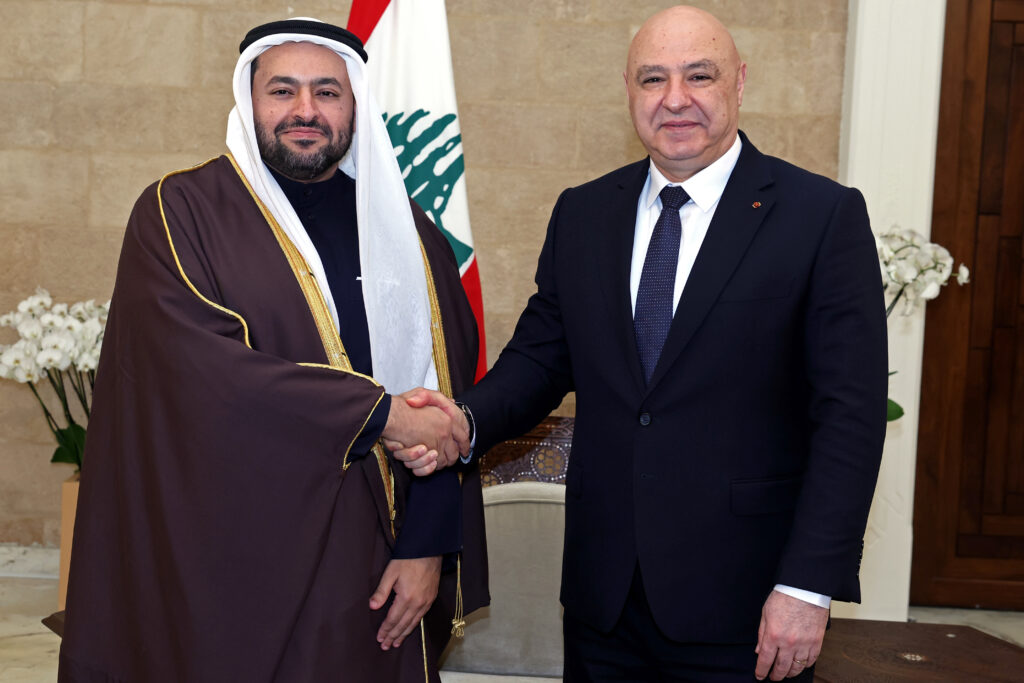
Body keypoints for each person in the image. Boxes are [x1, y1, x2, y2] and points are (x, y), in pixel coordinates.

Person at [392, 5, 886, 681]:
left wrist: (807, 586)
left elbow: (850, 416)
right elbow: (540, 356)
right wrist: (464, 421)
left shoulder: (820, 216)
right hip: (603, 601)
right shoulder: (584, 212)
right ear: (628, 90)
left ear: (740, 82)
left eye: (699, 75)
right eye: (653, 78)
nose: (674, 98)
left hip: (747, 603)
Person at [58, 18, 486, 683]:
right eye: (282, 91)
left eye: (327, 92)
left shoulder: (406, 230)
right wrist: (381, 415)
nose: (305, 110)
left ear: (355, 104)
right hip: (229, 563)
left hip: (380, 562)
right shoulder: (181, 212)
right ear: (248, 99)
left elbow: (443, 398)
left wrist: (427, 546)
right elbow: (202, 374)